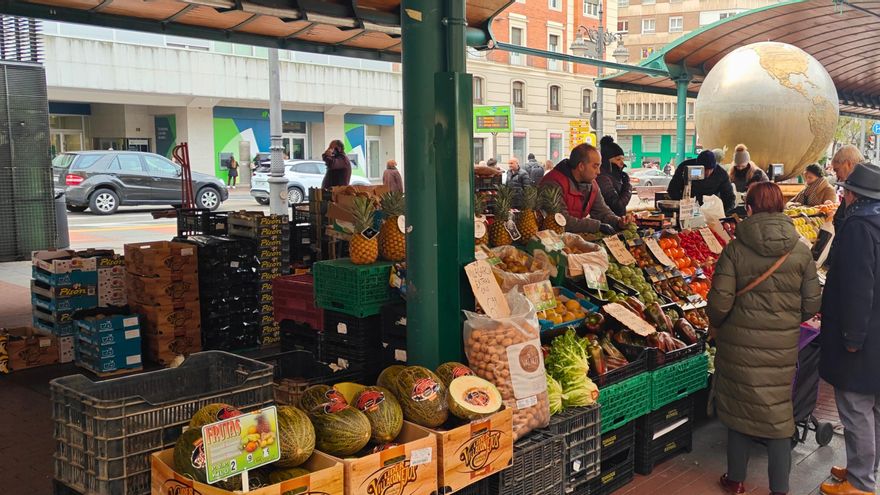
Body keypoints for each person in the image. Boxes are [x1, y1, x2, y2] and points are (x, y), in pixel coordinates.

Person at [708, 181, 821, 495]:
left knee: (739, 409)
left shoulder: (734, 249)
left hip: (738, 347)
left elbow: (719, 305)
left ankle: (736, 479)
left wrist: (720, 324)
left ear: (749, 208)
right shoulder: (800, 250)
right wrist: (784, 321)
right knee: (777, 413)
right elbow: (812, 304)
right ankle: (780, 488)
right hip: (781, 348)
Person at [818, 163, 880, 495]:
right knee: (874, 409)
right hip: (877, 334)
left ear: (853, 194)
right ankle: (863, 468)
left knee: (856, 409)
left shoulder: (859, 227)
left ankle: (860, 483)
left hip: (863, 335)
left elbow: (859, 287)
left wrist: (852, 337)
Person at [540, 143, 634, 234]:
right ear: (581, 166)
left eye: (599, 166)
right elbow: (561, 219)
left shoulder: (592, 184)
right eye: (595, 166)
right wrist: (597, 226)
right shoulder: (553, 183)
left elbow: (602, 212)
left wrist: (619, 222)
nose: (598, 172)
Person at [667, 149, 737, 213]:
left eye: (711, 169)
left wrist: (723, 214)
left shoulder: (721, 174)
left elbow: (729, 197)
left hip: (710, 210)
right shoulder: (684, 167)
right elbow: (672, 189)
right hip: (686, 208)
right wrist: (683, 205)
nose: (708, 172)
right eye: (705, 169)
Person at [831, 145, 866, 233]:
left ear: (848, 164)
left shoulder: (859, 190)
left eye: (837, 170)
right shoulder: (860, 186)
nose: (837, 176)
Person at [596, 136, 632, 217]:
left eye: (623, 159)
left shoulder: (617, 176)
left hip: (617, 221)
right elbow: (617, 206)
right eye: (618, 159)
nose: (622, 163)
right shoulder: (602, 178)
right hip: (607, 222)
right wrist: (628, 185)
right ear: (606, 161)